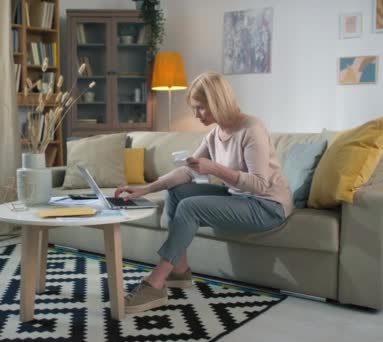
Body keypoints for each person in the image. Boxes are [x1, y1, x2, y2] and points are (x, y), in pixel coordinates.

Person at [114, 71, 293, 314]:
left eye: (200, 108)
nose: (196, 114)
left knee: (191, 206)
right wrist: (145, 188)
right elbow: (186, 172)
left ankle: (155, 283)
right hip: (239, 197)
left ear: (217, 102)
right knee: (178, 192)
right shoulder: (214, 134)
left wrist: (215, 168)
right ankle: (179, 271)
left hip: (267, 206)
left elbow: (260, 184)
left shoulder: (252, 128)